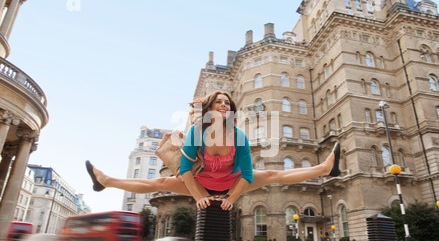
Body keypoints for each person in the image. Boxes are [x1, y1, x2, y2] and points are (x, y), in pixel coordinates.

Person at [86, 91, 341, 211]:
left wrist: (231, 198)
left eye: (227, 102)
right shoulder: (197, 133)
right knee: (160, 181)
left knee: (273, 175)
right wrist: (199, 197)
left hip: (232, 184)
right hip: (200, 184)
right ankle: (105, 181)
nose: (223, 105)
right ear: (210, 107)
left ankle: (326, 168)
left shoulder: (238, 136)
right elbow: (185, 171)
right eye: (218, 101)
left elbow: (248, 175)